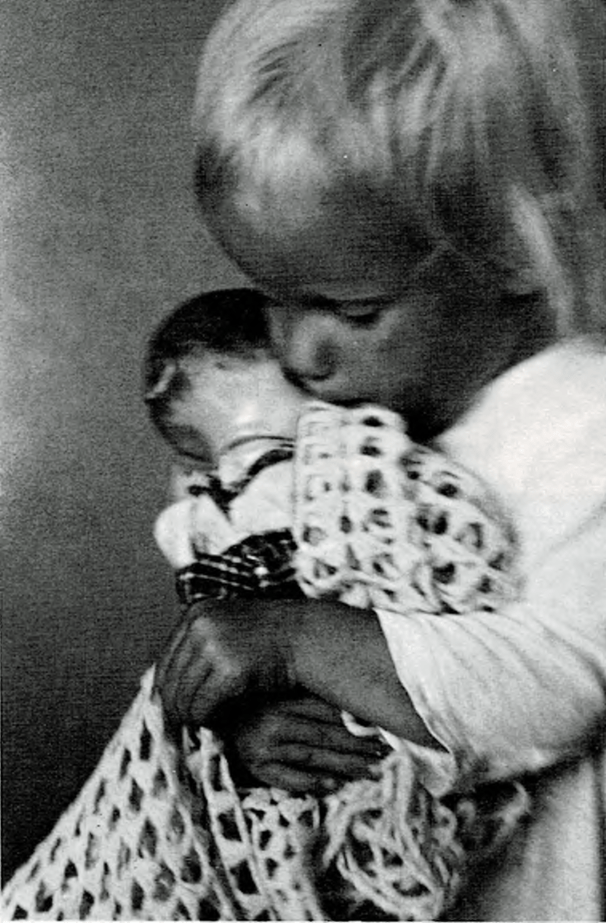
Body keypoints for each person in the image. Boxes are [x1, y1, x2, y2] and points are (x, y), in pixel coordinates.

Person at [1, 0, 606, 920]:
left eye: (350, 310)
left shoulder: (603, 417)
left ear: (518, 249)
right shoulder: (351, 435)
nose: (298, 351)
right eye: (274, 300)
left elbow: (550, 688)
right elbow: (321, 641)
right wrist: (262, 721)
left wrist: (297, 639)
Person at [147, 288, 525, 921]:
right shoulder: (204, 525)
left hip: (435, 779)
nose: (258, 480)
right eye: (229, 460)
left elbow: (490, 654)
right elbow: (207, 674)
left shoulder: (400, 481)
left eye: (287, 447)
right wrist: (239, 722)